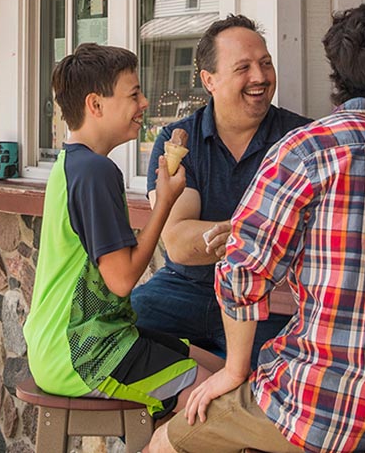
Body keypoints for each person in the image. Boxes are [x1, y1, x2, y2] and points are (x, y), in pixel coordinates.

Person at [149, 4, 365, 453]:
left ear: (335, 73)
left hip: (314, 410)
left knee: (166, 440)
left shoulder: (308, 148)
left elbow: (240, 270)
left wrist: (234, 372)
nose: (259, 76)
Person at [23, 43, 219, 416]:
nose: (144, 102)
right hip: (84, 354)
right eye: (134, 94)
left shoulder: (73, 163)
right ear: (95, 105)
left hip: (85, 339)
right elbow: (122, 279)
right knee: (218, 400)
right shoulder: (95, 172)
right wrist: (163, 203)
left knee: (222, 371)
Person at [131, 14, 310, 365]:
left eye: (265, 64)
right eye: (243, 67)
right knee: (116, 333)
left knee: (284, 370)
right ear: (209, 80)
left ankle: (217, 385)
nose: (259, 77)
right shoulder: (178, 140)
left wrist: (239, 237)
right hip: (185, 291)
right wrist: (258, 237)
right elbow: (180, 242)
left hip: (270, 297)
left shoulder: (303, 140)